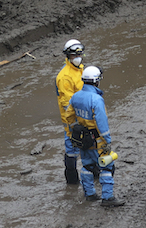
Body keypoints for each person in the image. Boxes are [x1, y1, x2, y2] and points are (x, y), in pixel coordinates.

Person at [63, 66, 125, 207]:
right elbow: (101, 123)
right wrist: (107, 141)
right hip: (97, 140)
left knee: (87, 166)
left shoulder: (76, 96)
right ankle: (107, 197)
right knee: (107, 167)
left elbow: (69, 117)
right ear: (96, 81)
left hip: (83, 139)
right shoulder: (96, 100)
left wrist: (74, 133)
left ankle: (90, 194)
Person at [54, 39, 85, 185]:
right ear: (68, 56)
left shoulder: (81, 70)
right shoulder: (64, 77)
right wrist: (76, 122)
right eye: (74, 56)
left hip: (85, 117)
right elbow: (68, 105)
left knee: (90, 146)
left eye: (79, 55)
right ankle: (72, 179)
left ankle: (95, 173)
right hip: (73, 120)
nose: (77, 58)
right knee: (72, 149)